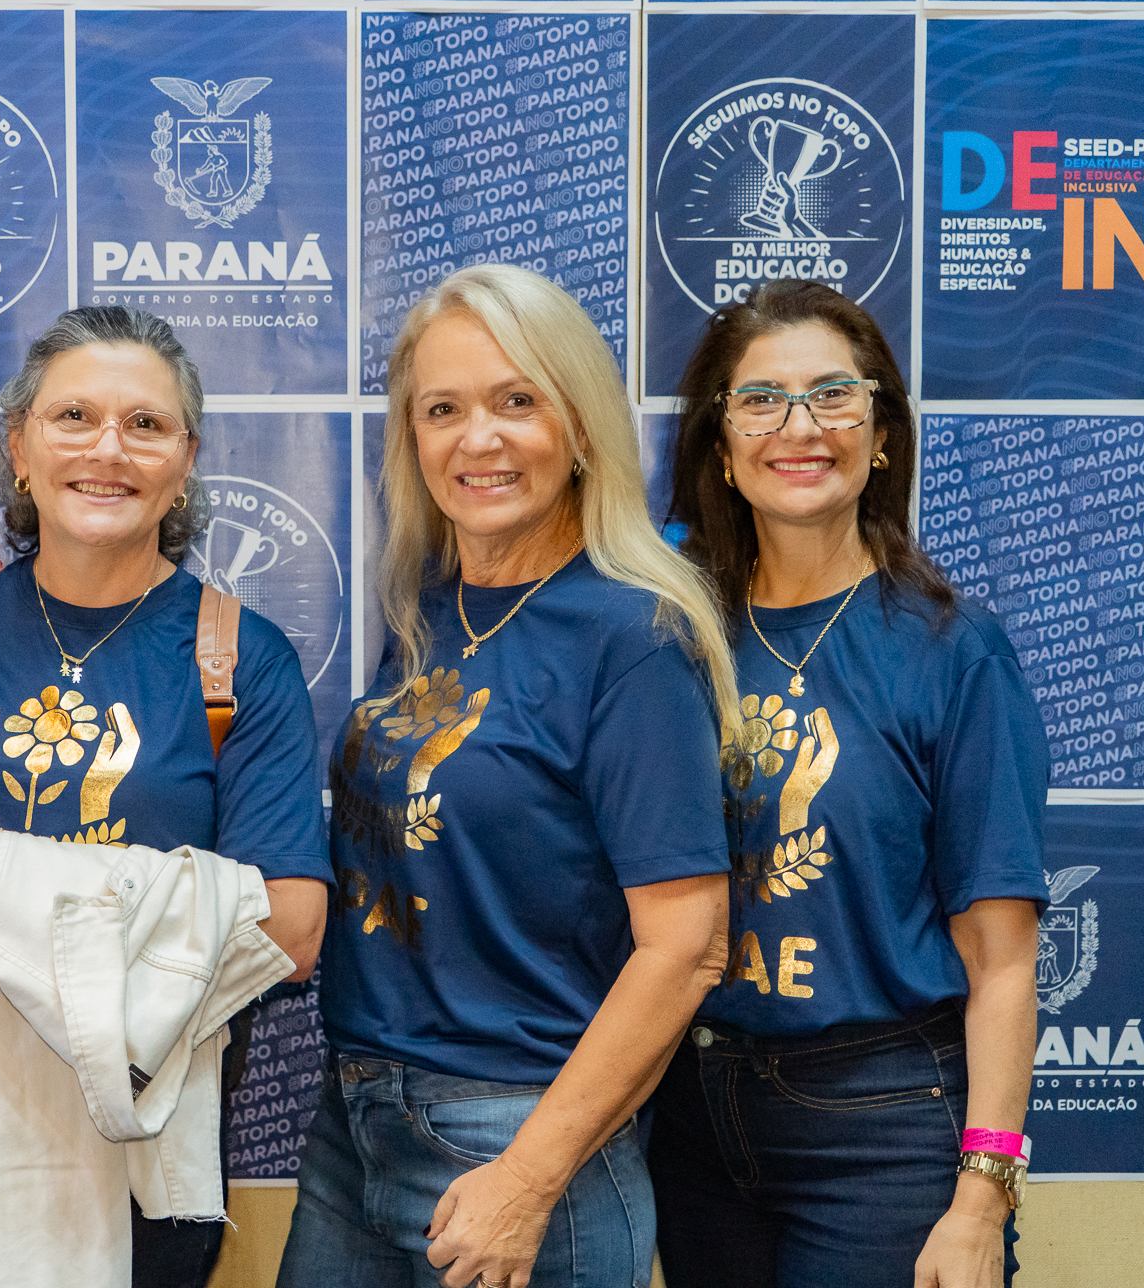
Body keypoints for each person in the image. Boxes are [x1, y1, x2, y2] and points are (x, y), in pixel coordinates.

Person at [0, 306, 332, 1287]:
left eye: (146, 425)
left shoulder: (239, 659)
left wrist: (6, 884)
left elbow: (290, 930)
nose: (108, 450)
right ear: (19, 446)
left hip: (119, 1116)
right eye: (73, 416)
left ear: (187, 459)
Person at [277, 264, 740, 1288]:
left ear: (579, 426)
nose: (476, 438)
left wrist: (529, 1178)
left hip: (522, 1133)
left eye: (515, 400)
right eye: (442, 408)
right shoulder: (425, 611)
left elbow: (686, 948)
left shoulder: (634, 636)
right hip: (356, 1119)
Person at [648, 279, 1048, 1288]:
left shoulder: (953, 654)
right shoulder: (670, 643)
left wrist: (982, 1194)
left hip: (884, 1124)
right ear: (721, 450)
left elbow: (1001, 960)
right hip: (691, 1115)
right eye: (761, 400)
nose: (800, 426)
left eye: (835, 396)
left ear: (880, 439)